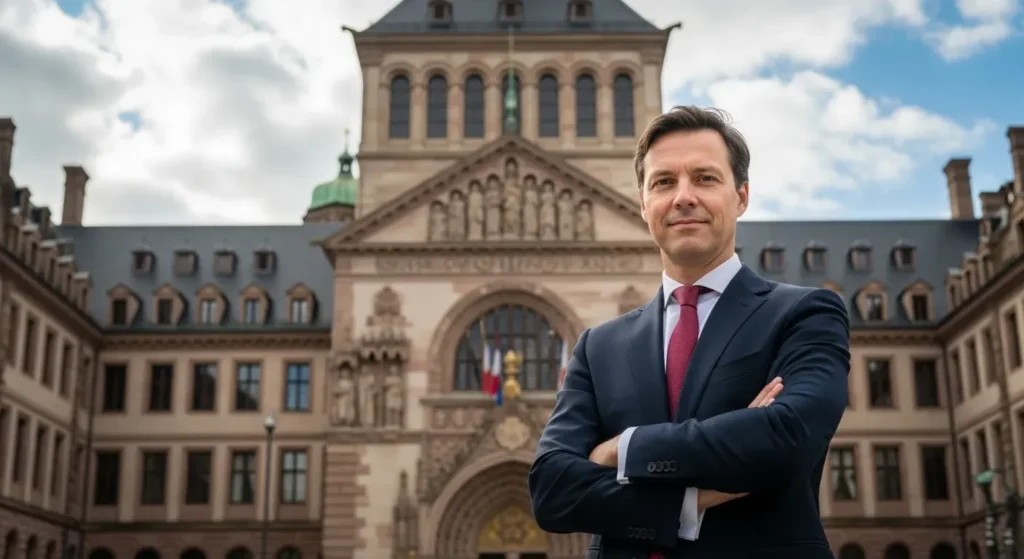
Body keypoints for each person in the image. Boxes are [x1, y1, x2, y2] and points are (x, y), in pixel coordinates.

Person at [528, 106, 850, 559]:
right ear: (643, 205)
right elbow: (551, 490)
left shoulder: (803, 313)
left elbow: (789, 436)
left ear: (741, 196)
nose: (683, 196)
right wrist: (691, 502)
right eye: (663, 182)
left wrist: (623, 448)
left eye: (704, 178)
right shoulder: (598, 345)